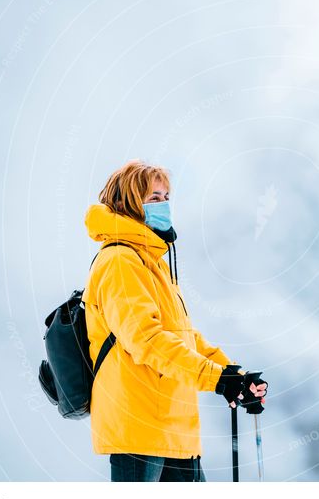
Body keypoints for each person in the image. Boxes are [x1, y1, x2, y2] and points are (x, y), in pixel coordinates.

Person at [81, 159, 268, 482]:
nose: (164, 205)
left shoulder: (150, 262)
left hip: (173, 428)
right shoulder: (120, 261)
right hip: (140, 430)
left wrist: (232, 374)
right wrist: (216, 379)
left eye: (166, 197)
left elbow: (184, 337)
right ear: (128, 204)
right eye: (154, 198)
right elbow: (147, 339)